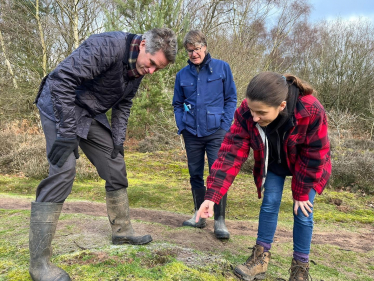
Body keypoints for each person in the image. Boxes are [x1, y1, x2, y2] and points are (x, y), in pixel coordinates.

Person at [30, 28, 177, 281]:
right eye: (152, 63)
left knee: (114, 162)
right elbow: (61, 80)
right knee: (63, 172)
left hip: (89, 111)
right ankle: (39, 264)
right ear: (142, 45)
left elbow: (124, 103)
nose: (152, 71)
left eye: (158, 69)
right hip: (59, 104)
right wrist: (67, 132)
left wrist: (118, 141)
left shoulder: (139, 67)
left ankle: (121, 230)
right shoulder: (107, 46)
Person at [196, 72, 331, 280]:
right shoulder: (247, 112)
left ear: (282, 106)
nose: (255, 118)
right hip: (275, 162)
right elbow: (230, 153)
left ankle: (300, 269)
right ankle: (260, 259)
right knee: (270, 202)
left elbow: (315, 153)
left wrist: (301, 192)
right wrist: (212, 195)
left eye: (261, 113)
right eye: (251, 111)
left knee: (303, 211)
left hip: (308, 165)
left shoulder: (311, 109)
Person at [172, 30, 237, 239]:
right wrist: (181, 126)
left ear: (205, 47)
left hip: (216, 131)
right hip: (191, 132)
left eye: (197, 49)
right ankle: (199, 217)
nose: (194, 54)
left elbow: (231, 99)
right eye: (190, 51)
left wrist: (225, 126)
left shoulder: (222, 68)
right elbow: (177, 104)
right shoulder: (182, 75)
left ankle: (219, 220)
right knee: (195, 175)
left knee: (218, 175)